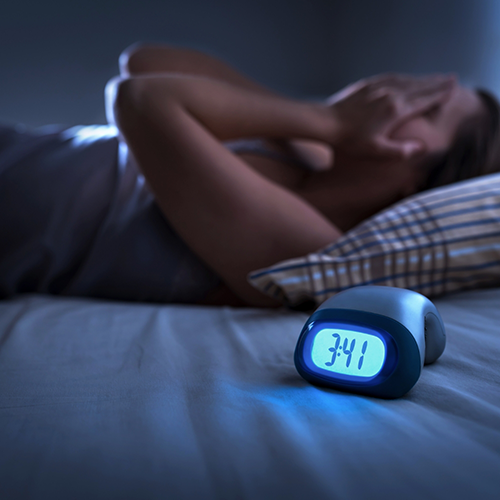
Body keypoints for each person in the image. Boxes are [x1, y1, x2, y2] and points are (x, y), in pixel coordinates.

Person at [1, 43, 499, 308]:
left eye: (428, 107)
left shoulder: (306, 247)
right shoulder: (307, 150)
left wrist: (332, 122)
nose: (404, 91)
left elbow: (139, 99)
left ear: (425, 182)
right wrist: (327, 118)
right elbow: (147, 61)